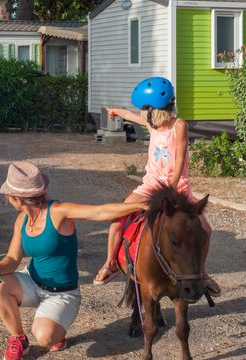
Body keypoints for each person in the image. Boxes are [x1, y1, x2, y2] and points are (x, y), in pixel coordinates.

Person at [0, 161, 147, 360]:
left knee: (44, 338)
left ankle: (57, 331)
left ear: (17, 199)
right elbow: (13, 260)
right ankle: (18, 339)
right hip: (32, 282)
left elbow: (99, 212)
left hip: (62, 294)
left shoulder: (58, 211)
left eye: (8, 196)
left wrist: (140, 205)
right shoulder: (21, 220)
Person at [93, 77, 221, 298]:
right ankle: (111, 263)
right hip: (151, 184)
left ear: (155, 110)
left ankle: (202, 273)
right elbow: (132, 116)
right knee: (117, 218)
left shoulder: (178, 125)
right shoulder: (153, 124)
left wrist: (171, 189)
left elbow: (180, 158)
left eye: (145, 109)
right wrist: (117, 110)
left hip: (176, 187)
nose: (142, 113)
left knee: (206, 230)